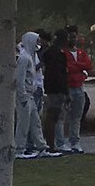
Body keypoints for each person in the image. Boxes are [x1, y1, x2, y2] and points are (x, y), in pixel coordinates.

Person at [14, 31, 47, 159]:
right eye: (36, 41)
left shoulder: (31, 57)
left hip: (30, 95)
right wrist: (22, 96)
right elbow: (20, 79)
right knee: (23, 123)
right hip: (25, 96)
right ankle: (19, 149)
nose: (38, 44)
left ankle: (41, 147)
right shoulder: (24, 58)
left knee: (35, 121)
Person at [62, 28, 92, 153]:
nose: (72, 39)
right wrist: (79, 67)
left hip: (79, 87)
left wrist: (77, 67)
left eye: (74, 36)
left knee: (76, 116)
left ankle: (75, 142)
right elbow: (66, 67)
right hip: (67, 87)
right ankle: (62, 142)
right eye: (70, 37)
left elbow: (88, 65)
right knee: (63, 116)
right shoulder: (63, 52)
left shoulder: (81, 53)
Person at [40, 29, 70, 156]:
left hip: (51, 88)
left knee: (52, 117)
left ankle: (51, 144)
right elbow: (59, 75)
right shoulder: (58, 55)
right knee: (53, 117)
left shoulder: (48, 53)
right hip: (57, 89)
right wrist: (65, 91)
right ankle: (51, 145)